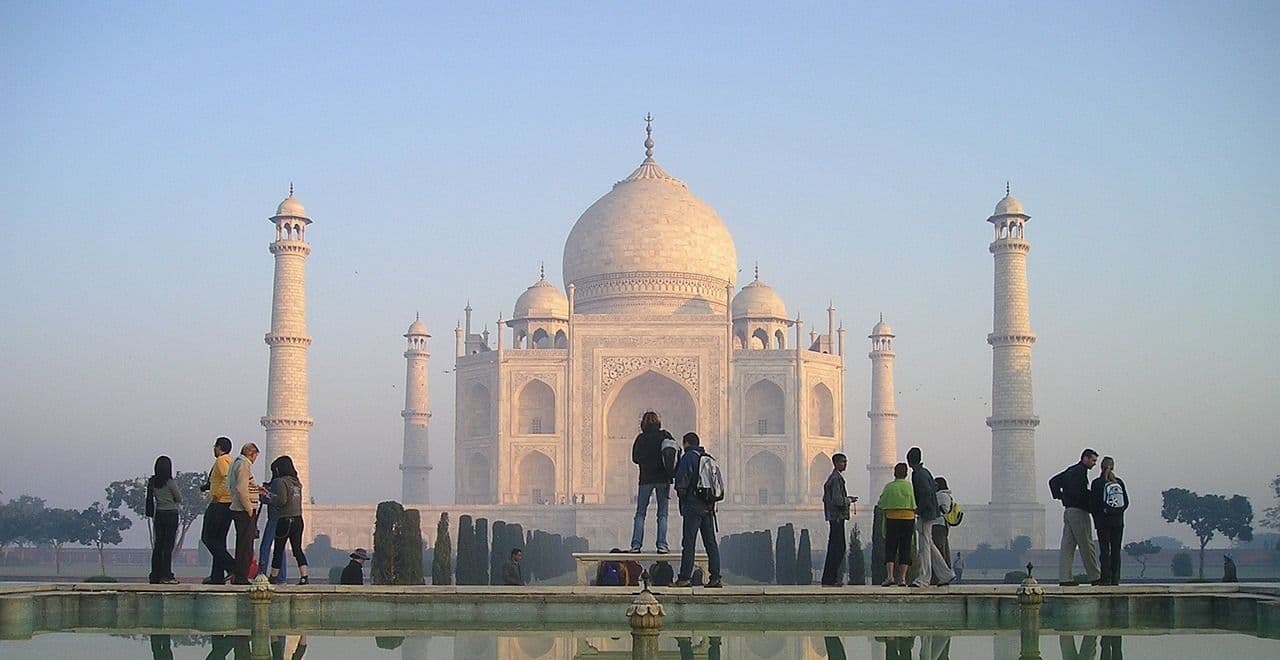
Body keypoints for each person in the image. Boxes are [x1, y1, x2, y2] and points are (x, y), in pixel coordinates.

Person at [673, 432, 722, 587]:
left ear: (686, 443)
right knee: (711, 543)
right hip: (708, 507)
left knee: (689, 542)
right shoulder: (709, 458)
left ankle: (684, 578)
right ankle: (715, 577)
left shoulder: (688, 458)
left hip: (693, 507)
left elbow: (681, 482)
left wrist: (684, 499)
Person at [1049, 448, 1102, 585]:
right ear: (1085, 458)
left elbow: (1053, 481)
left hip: (1069, 510)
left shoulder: (1071, 470)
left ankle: (1065, 578)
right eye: (1093, 460)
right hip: (1079, 512)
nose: (1094, 463)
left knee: (1067, 546)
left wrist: (1061, 497)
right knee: (1086, 544)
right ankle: (1095, 577)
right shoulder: (1080, 472)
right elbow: (1081, 493)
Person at [907, 447, 954, 587]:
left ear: (909, 461)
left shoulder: (918, 474)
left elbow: (927, 492)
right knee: (929, 544)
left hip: (926, 514)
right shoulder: (925, 472)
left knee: (924, 547)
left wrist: (919, 509)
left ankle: (924, 579)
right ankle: (946, 574)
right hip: (930, 512)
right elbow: (933, 487)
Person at [630, 411, 675, 553]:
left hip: (646, 479)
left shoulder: (641, 438)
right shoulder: (664, 436)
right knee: (662, 514)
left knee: (640, 513)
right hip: (662, 479)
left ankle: (636, 545)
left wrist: (646, 461)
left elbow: (635, 458)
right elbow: (674, 451)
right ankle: (662, 545)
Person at [267, 455, 309, 585]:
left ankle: (273, 577)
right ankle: (304, 576)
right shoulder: (297, 483)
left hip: (285, 519)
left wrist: (268, 496)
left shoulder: (281, 482)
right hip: (298, 519)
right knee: (297, 549)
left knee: (279, 549)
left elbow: (281, 500)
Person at [201, 436, 236, 584]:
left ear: (219, 447)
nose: (214, 449)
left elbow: (226, 479)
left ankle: (232, 566)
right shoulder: (232, 461)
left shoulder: (221, 461)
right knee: (219, 541)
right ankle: (217, 576)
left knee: (208, 538)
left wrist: (216, 495)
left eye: (215, 446)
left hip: (220, 503)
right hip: (229, 505)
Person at [1089, 456, 1129, 585]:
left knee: (1105, 550)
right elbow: (1126, 503)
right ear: (1113, 467)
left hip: (1103, 522)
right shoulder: (1119, 482)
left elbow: (1094, 504)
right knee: (1116, 550)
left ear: (1101, 467)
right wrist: (1116, 513)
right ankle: (1115, 578)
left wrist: (1101, 514)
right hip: (1118, 522)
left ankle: (1105, 577)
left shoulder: (1097, 483)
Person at [876, 462, 916, 586]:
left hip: (892, 519)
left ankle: (890, 577)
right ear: (906, 473)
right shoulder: (910, 487)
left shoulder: (889, 487)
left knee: (891, 548)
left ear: (894, 473)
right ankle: (903, 578)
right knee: (905, 549)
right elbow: (915, 503)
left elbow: (881, 504)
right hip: (908, 519)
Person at [228, 442, 262, 584]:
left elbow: (242, 486)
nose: (255, 459)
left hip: (239, 508)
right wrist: (249, 508)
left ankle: (240, 575)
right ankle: (241, 576)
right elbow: (242, 489)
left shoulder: (237, 463)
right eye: (255, 456)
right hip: (243, 510)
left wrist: (257, 489)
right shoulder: (244, 465)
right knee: (245, 546)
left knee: (243, 543)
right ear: (252, 454)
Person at [146, 455, 182, 584]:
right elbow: (179, 498)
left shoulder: (153, 482)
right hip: (171, 514)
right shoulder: (169, 482)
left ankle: (155, 574)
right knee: (168, 546)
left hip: (159, 515)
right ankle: (167, 575)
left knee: (158, 546)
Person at [821, 453, 855, 586]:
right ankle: (831, 578)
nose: (845, 464)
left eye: (845, 462)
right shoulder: (836, 479)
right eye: (842, 462)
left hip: (833, 517)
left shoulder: (833, 478)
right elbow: (837, 500)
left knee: (834, 548)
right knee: (839, 548)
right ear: (835, 463)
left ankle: (828, 578)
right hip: (837, 517)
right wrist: (849, 500)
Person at [257, 458, 286, 584]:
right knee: (281, 549)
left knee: (265, 547)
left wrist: (264, 495)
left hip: (274, 518)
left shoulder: (278, 482)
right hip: (284, 518)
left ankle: (262, 573)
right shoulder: (292, 482)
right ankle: (281, 577)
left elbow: (276, 499)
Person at [931, 476, 954, 583]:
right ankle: (946, 574)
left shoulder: (942, 496)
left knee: (939, 551)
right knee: (942, 550)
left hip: (939, 525)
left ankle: (940, 576)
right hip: (940, 526)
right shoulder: (945, 495)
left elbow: (944, 510)